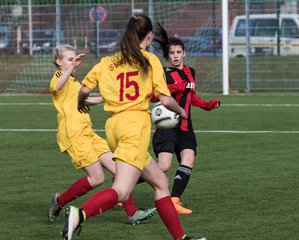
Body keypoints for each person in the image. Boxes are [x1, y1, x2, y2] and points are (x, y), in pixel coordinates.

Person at [61, 15, 206, 240]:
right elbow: (166, 100)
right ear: (149, 36)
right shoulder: (149, 60)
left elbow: (84, 91)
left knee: (160, 183)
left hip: (114, 128)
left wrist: (82, 104)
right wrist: (181, 112)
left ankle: (182, 238)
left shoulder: (107, 61)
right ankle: (79, 214)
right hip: (134, 127)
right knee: (122, 190)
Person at [48, 44, 157, 226]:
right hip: (73, 135)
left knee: (118, 170)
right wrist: (71, 69)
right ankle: (59, 201)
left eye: (75, 58)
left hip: (88, 133)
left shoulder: (74, 81)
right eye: (69, 59)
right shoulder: (60, 76)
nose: (74, 62)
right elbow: (56, 87)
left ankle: (132, 212)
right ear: (59, 62)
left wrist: (107, 97)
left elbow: (84, 100)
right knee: (97, 178)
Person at [152, 25, 220, 214]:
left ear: (184, 53)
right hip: (166, 125)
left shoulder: (191, 72)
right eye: (171, 53)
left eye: (178, 52)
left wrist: (207, 105)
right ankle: (124, 187)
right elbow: (153, 96)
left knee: (188, 159)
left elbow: (192, 96)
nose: (175, 56)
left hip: (185, 126)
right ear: (167, 56)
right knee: (163, 166)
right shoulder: (164, 74)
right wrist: (172, 89)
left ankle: (174, 200)